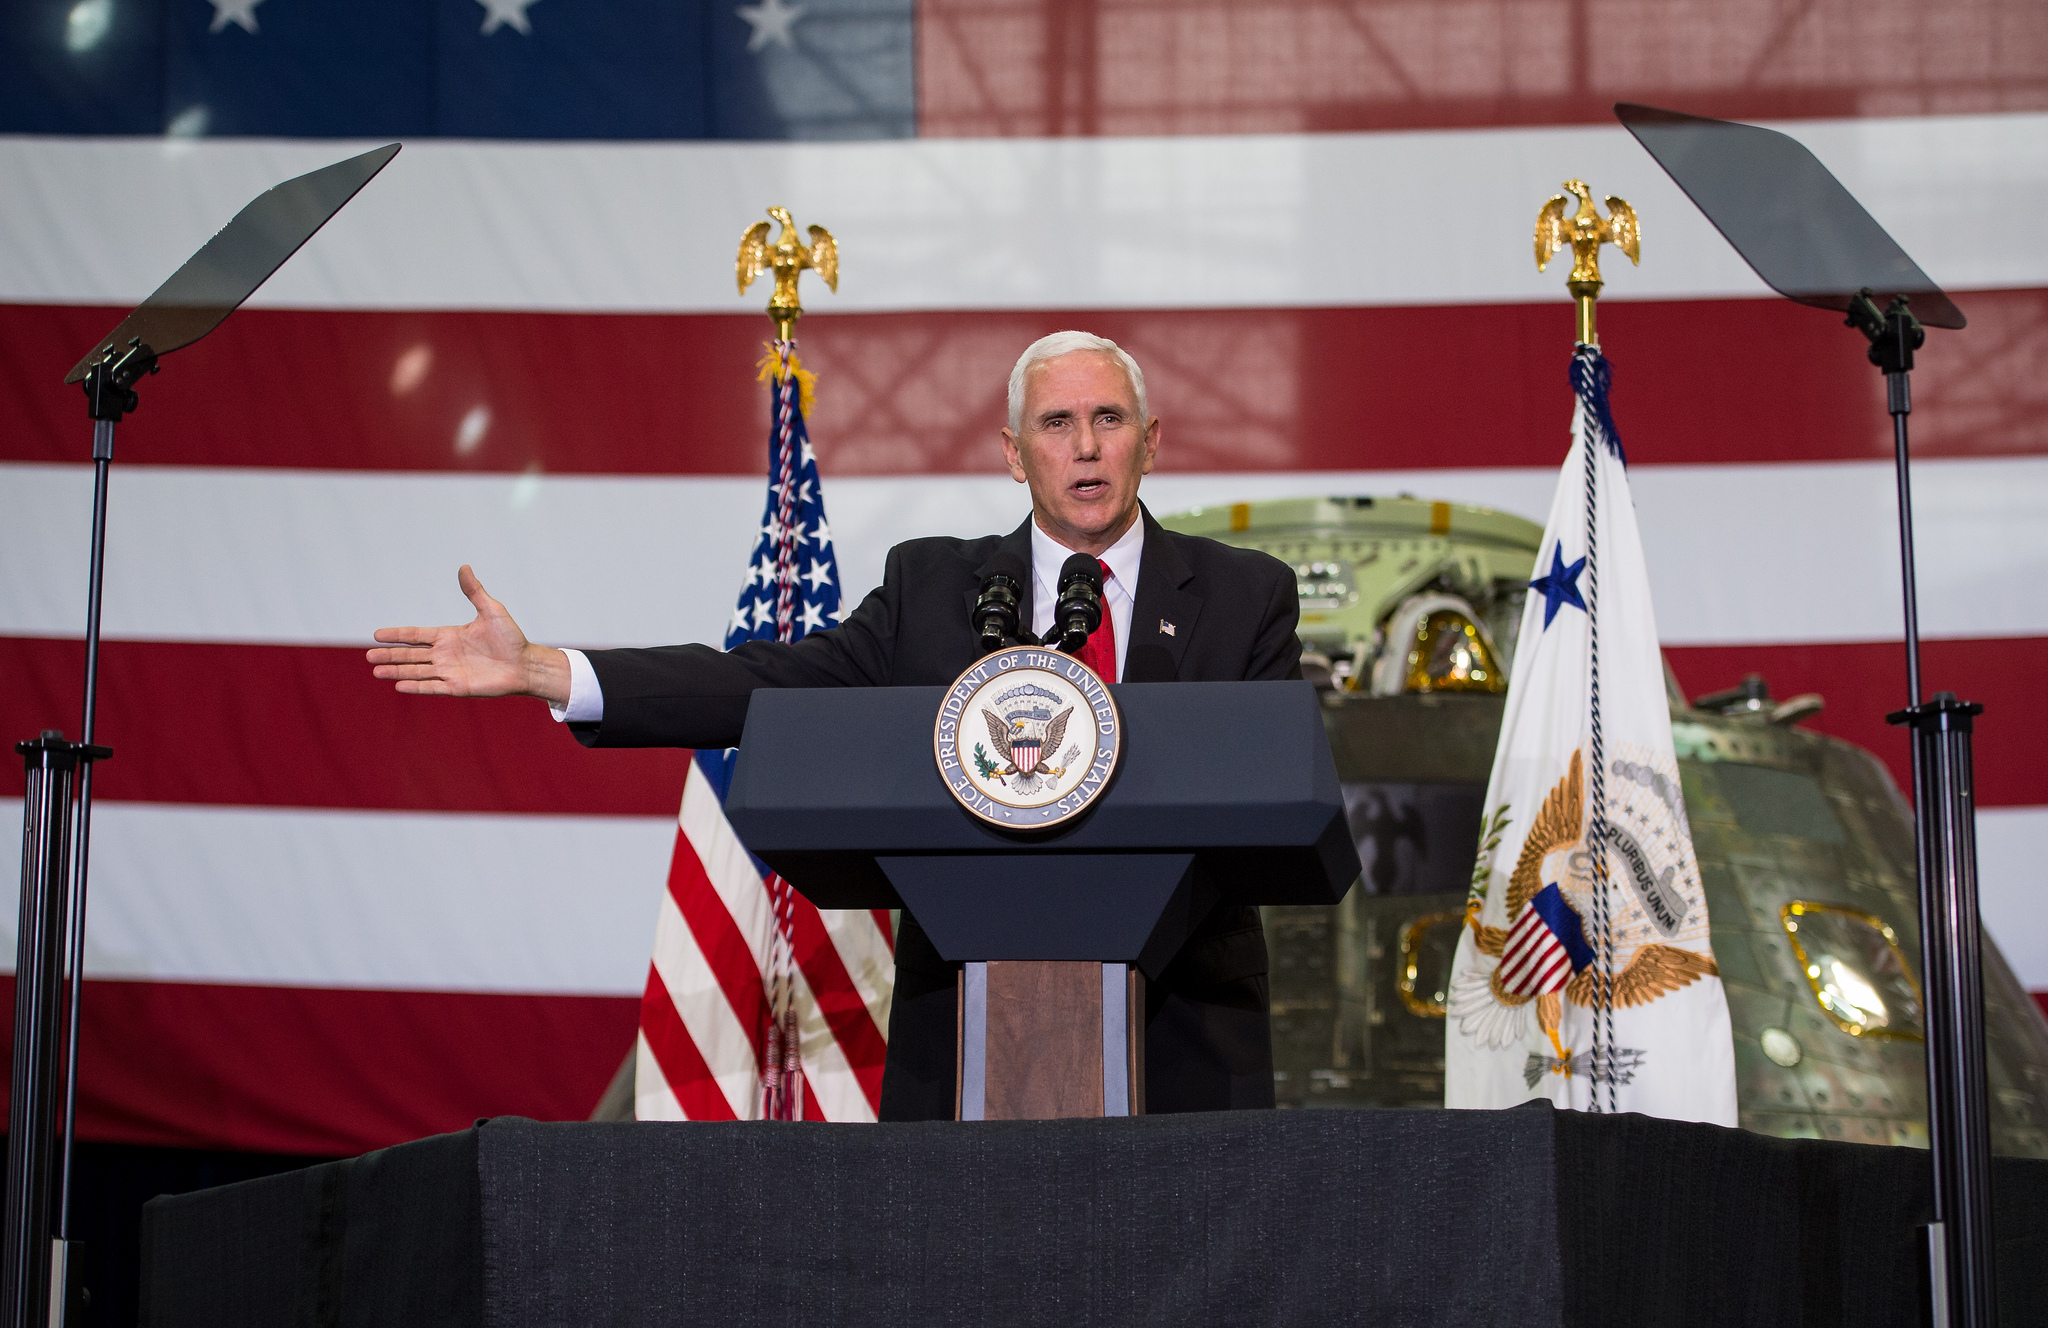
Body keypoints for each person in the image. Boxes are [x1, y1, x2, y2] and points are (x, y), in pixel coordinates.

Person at [369, 330, 1303, 1119]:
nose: (1087, 447)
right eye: (1057, 424)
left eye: (1109, 419)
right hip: (971, 1027)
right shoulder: (937, 590)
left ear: (1153, 440)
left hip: (1187, 1035)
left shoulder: (1244, 596)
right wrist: (550, 671)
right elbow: (770, 681)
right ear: (1016, 454)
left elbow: (1269, 797)